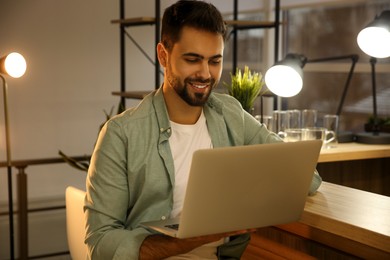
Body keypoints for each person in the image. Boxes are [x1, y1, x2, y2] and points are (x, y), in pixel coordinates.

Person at [84, 0, 322, 259]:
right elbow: (100, 243)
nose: (205, 74)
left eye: (214, 61)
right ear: (163, 56)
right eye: (192, 59)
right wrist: (184, 243)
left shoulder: (230, 114)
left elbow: (306, 178)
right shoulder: (121, 134)